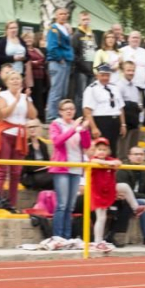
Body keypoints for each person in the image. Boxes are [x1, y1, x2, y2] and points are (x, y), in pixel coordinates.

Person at [0, 71, 36, 208]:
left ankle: (12, 203)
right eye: (12, 79)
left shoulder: (25, 96)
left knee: (16, 172)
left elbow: (33, 115)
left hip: (20, 134)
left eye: (18, 79)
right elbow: (3, 114)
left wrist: (27, 100)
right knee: (2, 170)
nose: (16, 81)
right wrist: (16, 100)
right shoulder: (3, 95)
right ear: (7, 82)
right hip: (5, 133)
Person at [50, 100, 92, 239]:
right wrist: (73, 128)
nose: (69, 111)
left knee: (70, 206)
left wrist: (84, 130)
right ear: (60, 111)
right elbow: (57, 142)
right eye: (66, 109)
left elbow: (86, 145)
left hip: (76, 168)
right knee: (62, 204)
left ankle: (67, 237)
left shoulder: (77, 125)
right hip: (62, 168)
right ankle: (58, 236)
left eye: (72, 109)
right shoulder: (56, 124)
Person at [83, 64, 126, 158]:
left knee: (113, 149)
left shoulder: (114, 88)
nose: (105, 78)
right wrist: (94, 127)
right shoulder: (91, 89)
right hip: (101, 121)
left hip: (115, 121)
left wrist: (123, 124)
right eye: (103, 75)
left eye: (107, 75)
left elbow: (120, 107)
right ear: (97, 75)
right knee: (100, 149)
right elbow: (87, 110)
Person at [89, 137, 123, 252]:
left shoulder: (110, 159)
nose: (101, 152)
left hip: (105, 193)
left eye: (104, 149)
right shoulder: (94, 160)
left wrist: (111, 162)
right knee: (100, 217)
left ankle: (99, 240)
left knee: (103, 217)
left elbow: (118, 162)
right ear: (94, 150)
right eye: (99, 149)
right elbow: (93, 161)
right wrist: (108, 163)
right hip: (96, 193)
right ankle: (97, 241)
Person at [45, 8, 75, 122]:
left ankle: (59, 115)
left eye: (65, 14)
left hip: (65, 62)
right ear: (56, 16)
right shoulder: (54, 29)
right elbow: (51, 47)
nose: (63, 16)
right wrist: (59, 58)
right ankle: (51, 116)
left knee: (62, 91)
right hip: (58, 63)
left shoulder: (65, 29)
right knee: (56, 90)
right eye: (60, 14)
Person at [119, 31, 145, 128]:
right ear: (128, 38)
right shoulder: (122, 51)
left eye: (137, 38)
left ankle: (137, 128)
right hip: (125, 85)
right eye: (133, 37)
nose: (135, 40)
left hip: (140, 85)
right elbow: (119, 68)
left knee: (139, 109)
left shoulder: (144, 52)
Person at [70, 11, 99, 116]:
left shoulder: (93, 35)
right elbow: (74, 54)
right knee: (80, 95)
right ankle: (79, 116)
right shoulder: (77, 35)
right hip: (81, 70)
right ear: (79, 20)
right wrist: (82, 67)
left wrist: (95, 68)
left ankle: (88, 117)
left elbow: (96, 51)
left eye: (87, 19)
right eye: (83, 19)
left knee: (90, 95)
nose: (86, 21)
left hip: (91, 70)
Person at [116, 61, 142, 160]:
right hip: (124, 125)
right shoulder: (119, 86)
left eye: (133, 70)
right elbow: (119, 107)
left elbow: (139, 105)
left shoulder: (135, 88)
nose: (131, 72)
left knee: (133, 153)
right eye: (128, 70)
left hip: (134, 124)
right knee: (122, 153)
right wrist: (123, 124)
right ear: (123, 71)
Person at [21, 118, 53, 191]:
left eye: (34, 127)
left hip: (44, 173)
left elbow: (47, 161)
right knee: (55, 178)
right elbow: (26, 166)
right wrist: (43, 166)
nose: (32, 129)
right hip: (30, 175)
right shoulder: (25, 145)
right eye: (29, 127)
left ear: (39, 128)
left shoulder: (43, 145)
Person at [23, 32, 47, 122]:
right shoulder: (24, 50)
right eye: (26, 38)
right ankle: (33, 116)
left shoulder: (36, 50)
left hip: (40, 76)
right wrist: (36, 62)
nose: (29, 40)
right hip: (31, 77)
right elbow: (28, 61)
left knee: (40, 97)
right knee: (33, 97)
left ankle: (40, 116)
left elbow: (42, 59)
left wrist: (35, 62)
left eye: (30, 38)